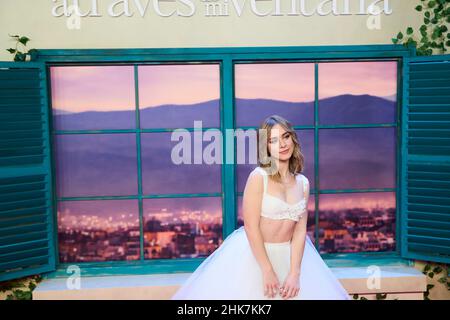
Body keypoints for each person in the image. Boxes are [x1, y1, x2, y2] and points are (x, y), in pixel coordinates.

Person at [171, 115, 351, 300]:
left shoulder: (303, 183)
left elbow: (300, 231)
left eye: (286, 136)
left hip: (291, 258)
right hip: (256, 259)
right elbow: (251, 226)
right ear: (265, 147)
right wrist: (267, 270)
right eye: (273, 140)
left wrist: (295, 273)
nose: (282, 144)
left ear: (293, 139)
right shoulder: (259, 177)